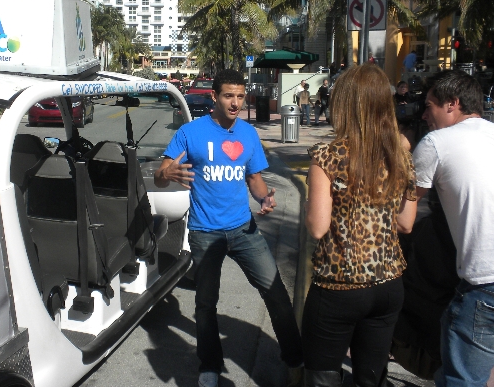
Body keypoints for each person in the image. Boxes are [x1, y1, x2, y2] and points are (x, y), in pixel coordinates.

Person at [154, 69, 304, 387]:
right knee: (206, 303)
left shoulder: (248, 134)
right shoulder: (191, 133)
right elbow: (161, 173)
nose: (235, 103)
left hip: (243, 230)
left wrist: (264, 198)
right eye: (228, 96)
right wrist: (167, 174)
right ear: (215, 97)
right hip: (205, 232)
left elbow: (254, 178)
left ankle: (295, 360)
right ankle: (210, 365)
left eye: (240, 96)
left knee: (276, 293)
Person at [303, 63, 417, 387]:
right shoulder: (401, 155)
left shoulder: (328, 156)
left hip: (339, 285)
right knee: (371, 377)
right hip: (388, 285)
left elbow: (317, 227)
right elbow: (406, 223)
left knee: (323, 377)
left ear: (345, 104)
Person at [412, 70, 494, 387]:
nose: (424, 116)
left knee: (461, 379)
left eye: (429, 106)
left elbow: (403, 215)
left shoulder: (436, 143)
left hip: (489, 283)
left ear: (452, 103)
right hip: (488, 285)